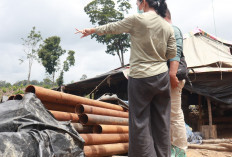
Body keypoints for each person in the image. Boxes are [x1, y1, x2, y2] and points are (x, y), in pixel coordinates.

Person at [75, 0, 177, 156]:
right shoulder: (166, 26)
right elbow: (171, 54)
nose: (137, 5)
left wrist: (92, 30)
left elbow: (113, 27)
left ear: (144, 2)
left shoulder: (137, 20)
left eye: (137, 2)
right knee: (162, 122)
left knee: (140, 123)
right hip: (161, 78)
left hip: (140, 78)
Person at [163, 8, 188, 157]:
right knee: (169, 116)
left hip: (173, 78)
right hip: (168, 78)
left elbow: (176, 53)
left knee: (174, 115)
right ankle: (172, 150)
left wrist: (172, 74)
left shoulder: (172, 29)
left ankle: (180, 151)